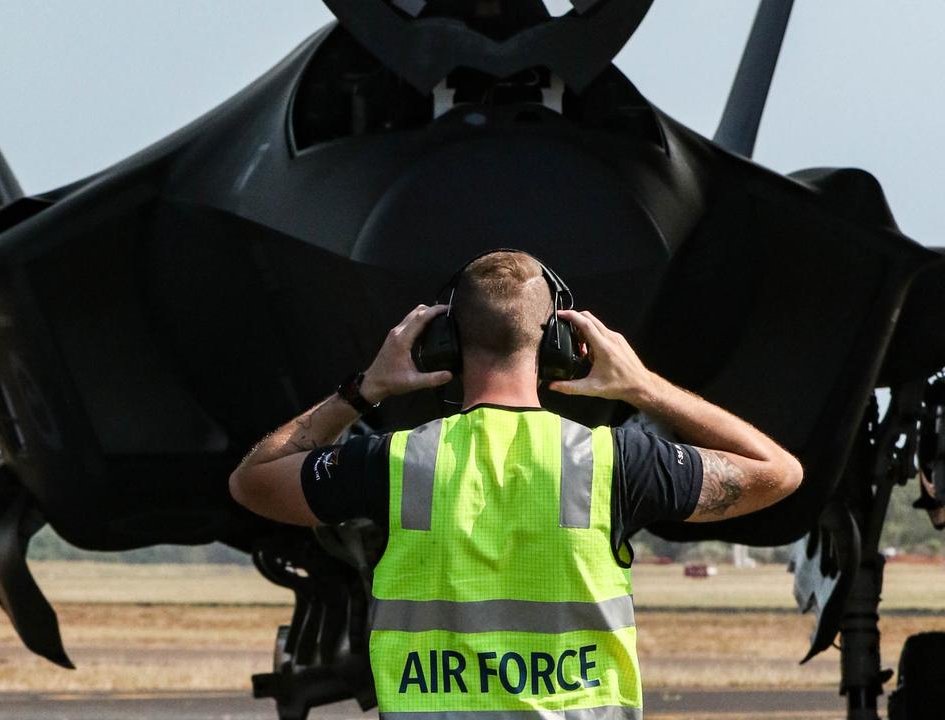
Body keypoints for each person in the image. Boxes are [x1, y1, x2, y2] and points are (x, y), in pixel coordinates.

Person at [230, 250, 802, 718]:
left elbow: (252, 482)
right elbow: (778, 472)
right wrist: (646, 386)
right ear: (558, 343)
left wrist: (364, 390)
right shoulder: (614, 462)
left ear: (446, 341)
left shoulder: (396, 461)